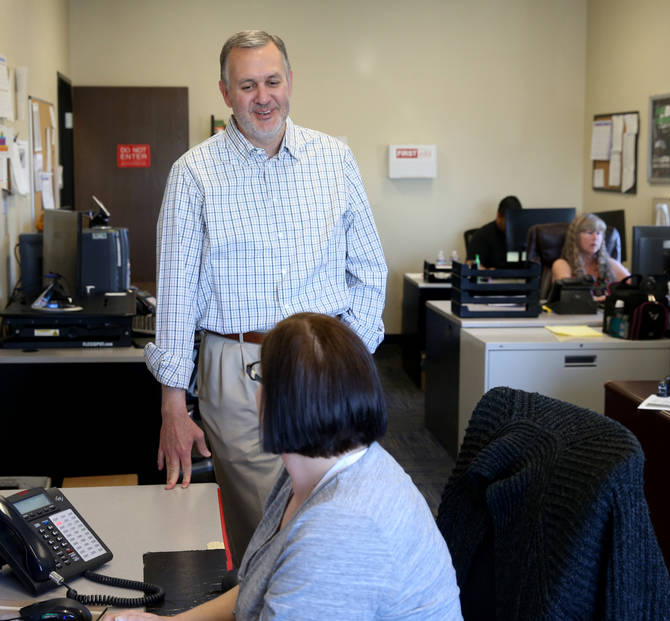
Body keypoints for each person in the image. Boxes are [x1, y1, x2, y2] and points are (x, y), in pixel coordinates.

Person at [144, 30, 387, 566]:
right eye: (247, 84)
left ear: (290, 81)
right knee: (265, 534)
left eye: (272, 81)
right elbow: (178, 295)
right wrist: (173, 406)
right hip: (238, 370)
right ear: (226, 93)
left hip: (326, 368)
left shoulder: (334, 159)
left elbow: (369, 269)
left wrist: (353, 356)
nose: (263, 96)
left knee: (335, 517)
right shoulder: (193, 174)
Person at [105, 314, 463, 621]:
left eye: (260, 376)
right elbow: (260, 585)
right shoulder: (313, 469)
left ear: (283, 400)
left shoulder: (339, 533)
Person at [551, 213, 629, 299]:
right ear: (575, 237)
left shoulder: (610, 263)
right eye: (589, 233)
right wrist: (604, 299)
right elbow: (569, 297)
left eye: (599, 233)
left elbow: (634, 287)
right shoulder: (561, 265)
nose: (595, 238)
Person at [466, 195, 521, 267]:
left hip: (520, 277)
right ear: (498, 216)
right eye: (509, 221)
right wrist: (486, 273)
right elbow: (470, 265)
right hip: (492, 277)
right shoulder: (482, 236)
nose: (513, 225)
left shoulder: (525, 235)